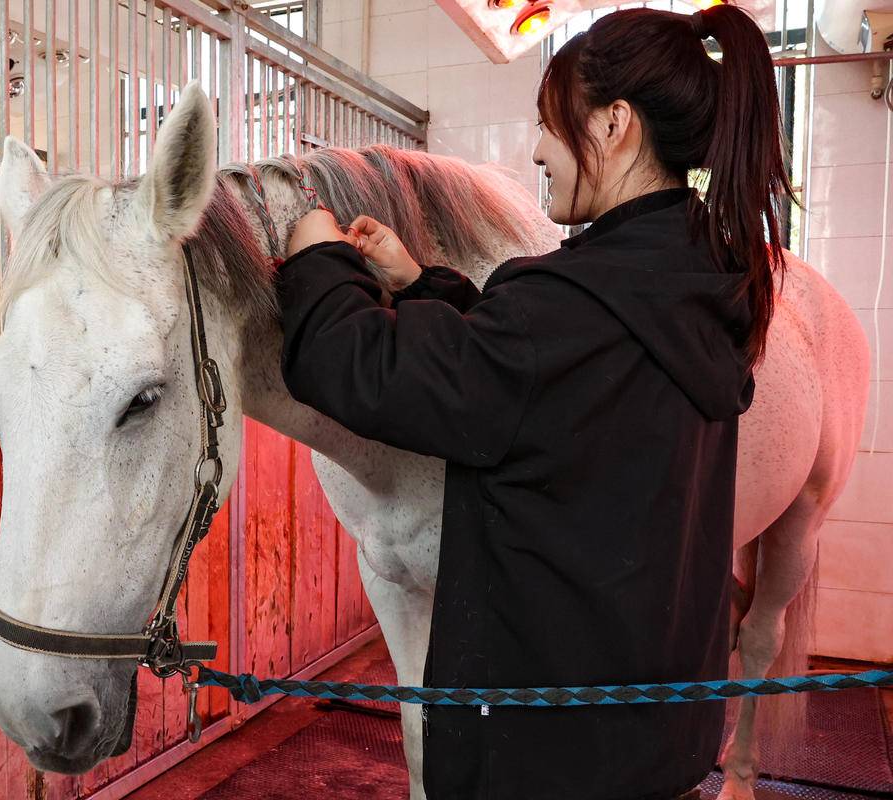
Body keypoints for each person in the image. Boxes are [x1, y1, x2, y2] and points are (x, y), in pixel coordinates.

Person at [273, 5, 792, 799]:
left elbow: (358, 369)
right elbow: (543, 382)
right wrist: (424, 284)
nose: (541, 150)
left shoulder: (567, 307)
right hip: (659, 742)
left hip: (543, 759)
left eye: (550, 125)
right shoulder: (702, 279)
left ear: (614, 124)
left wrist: (317, 258)